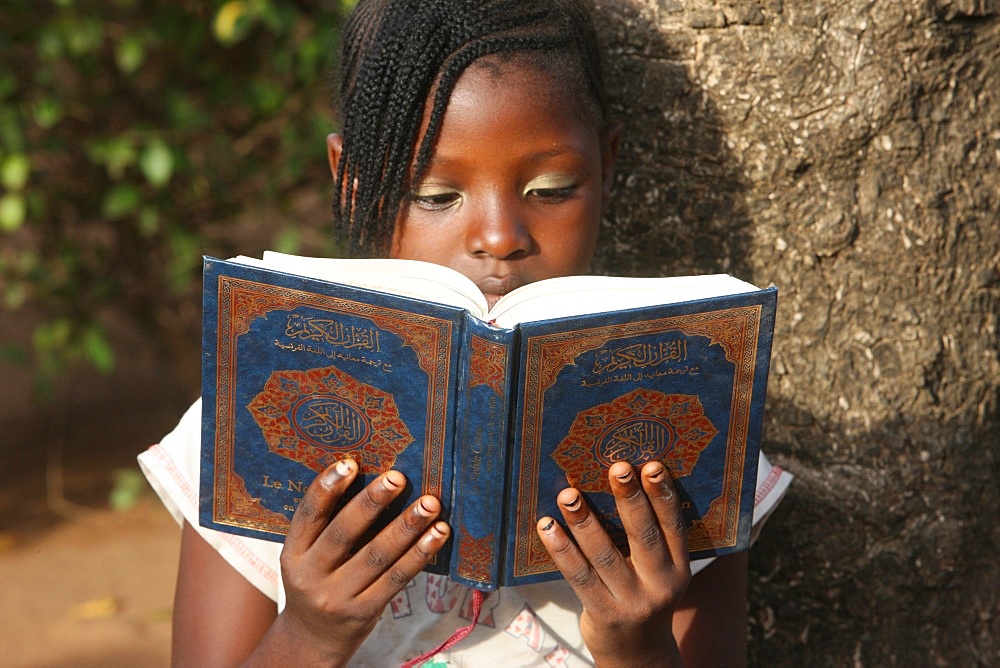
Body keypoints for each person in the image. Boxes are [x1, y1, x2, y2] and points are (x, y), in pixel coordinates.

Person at [138, 0, 792, 665]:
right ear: (350, 178)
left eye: (552, 186)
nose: (499, 238)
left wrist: (638, 645)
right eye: (435, 195)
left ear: (608, 167)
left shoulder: (696, 441)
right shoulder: (245, 429)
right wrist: (310, 632)